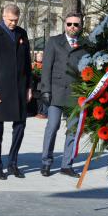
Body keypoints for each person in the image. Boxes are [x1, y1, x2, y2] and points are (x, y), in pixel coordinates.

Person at [0, 4, 32, 180]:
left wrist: (29, 87)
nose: (13, 23)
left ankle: (13, 163)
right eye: (10, 20)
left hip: (19, 89)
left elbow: (27, 63)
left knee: (20, 127)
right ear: (3, 16)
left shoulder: (22, 34)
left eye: (16, 20)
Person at [39, 12, 89, 178]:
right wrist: (45, 90)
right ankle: (46, 162)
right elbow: (46, 67)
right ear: (64, 25)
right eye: (69, 24)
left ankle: (67, 165)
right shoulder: (54, 42)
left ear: (80, 26)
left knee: (73, 131)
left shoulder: (85, 44)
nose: (72, 27)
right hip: (56, 92)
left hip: (76, 94)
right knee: (52, 127)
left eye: (76, 24)